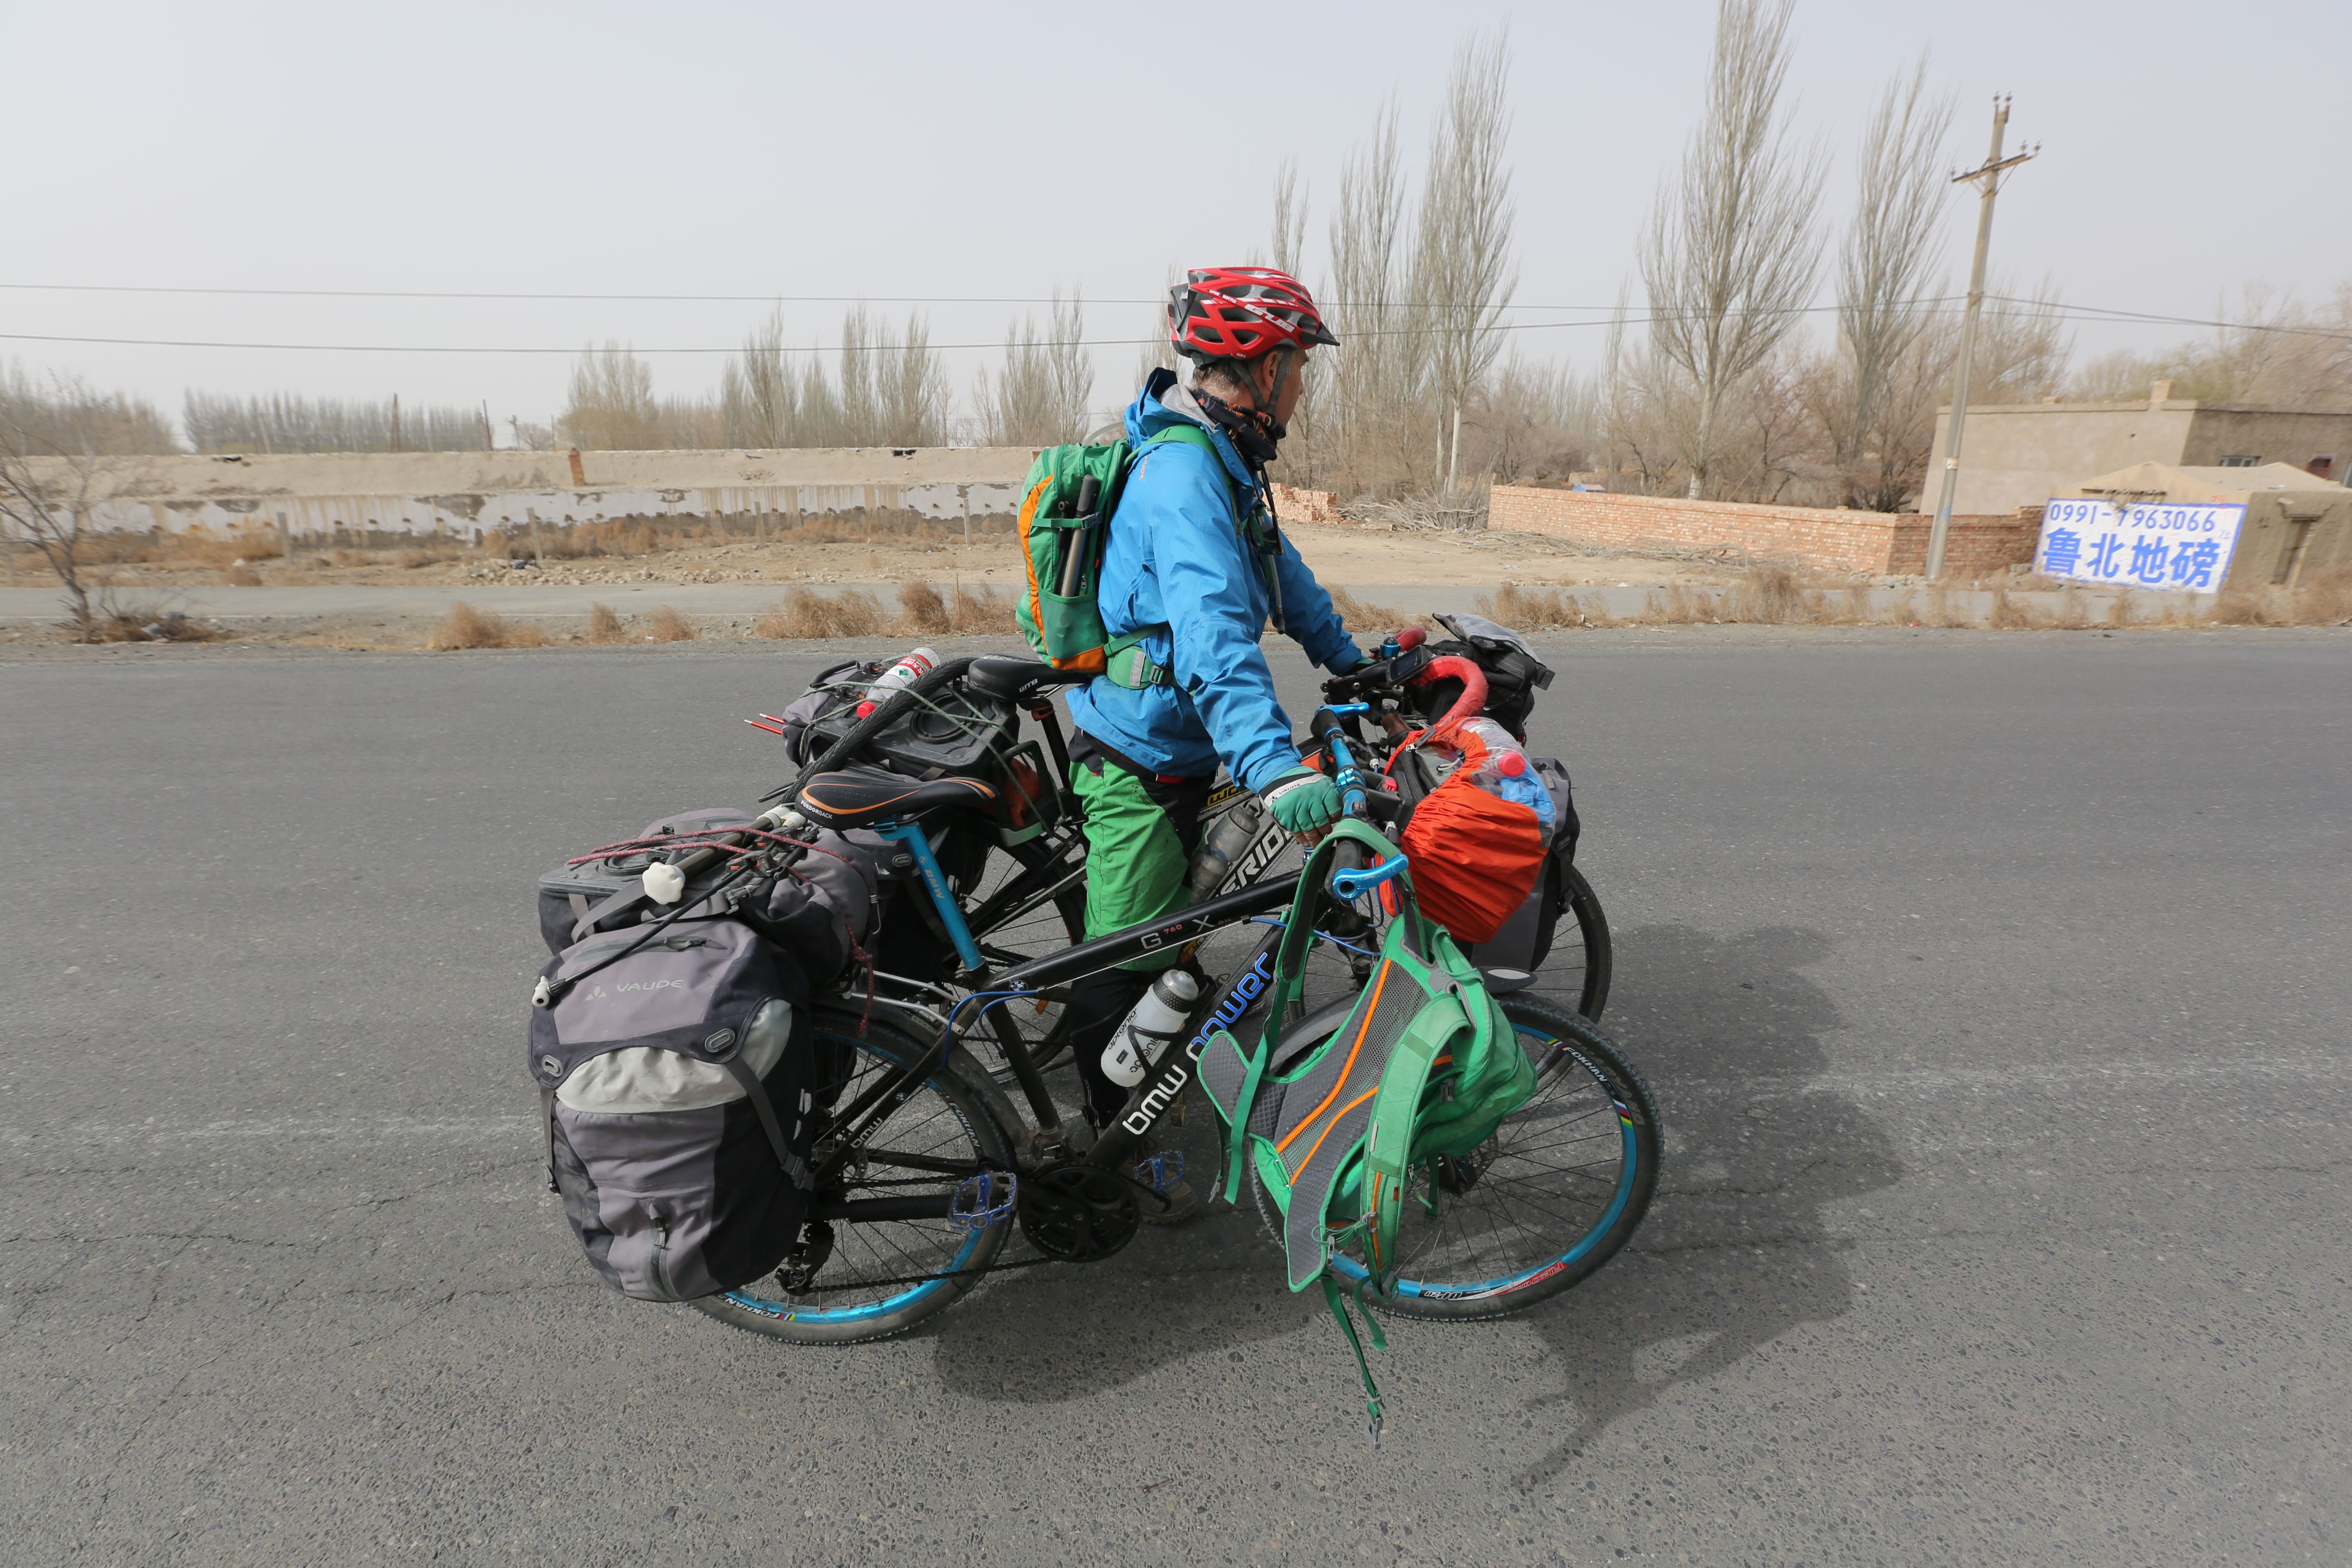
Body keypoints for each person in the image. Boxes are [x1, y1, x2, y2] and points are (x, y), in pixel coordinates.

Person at [1059, 266, 1365, 1211]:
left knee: (1189, 925)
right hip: (1139, 759)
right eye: (1300, 368)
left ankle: (1152, 1066)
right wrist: (1273, 766)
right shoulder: (1186, 473)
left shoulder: (1226, 461)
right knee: (1130, 962)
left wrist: (1352, 664)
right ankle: (1103, 1157)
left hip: (1185, 746)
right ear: (1263, 367)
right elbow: (1214, 641)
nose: (1305, 387)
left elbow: (1283, 575)